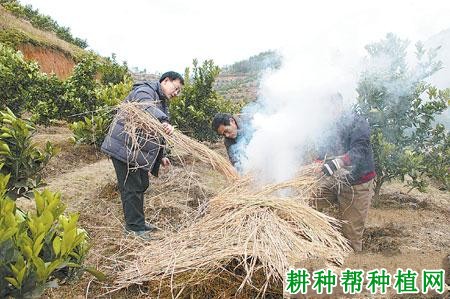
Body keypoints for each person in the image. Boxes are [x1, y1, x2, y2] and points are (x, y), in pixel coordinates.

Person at [101, 71, 184, 239]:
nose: (175, 94)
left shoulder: (161, 101)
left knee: (141, 184)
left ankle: (139, 222)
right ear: (165, 80)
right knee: (131, 188)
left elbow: (153, 134)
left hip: (134, 150)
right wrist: (164, 121)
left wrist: (161, 156)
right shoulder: (145, 91)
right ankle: (133, 229)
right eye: (175, 88)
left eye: (178, 92)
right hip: (123, 148)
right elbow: (146, 106)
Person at [316, 93, 376, 252]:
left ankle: (352, 270)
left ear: (339, 105)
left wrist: (340, 161)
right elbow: (324, 152)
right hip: (336, 179)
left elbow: (360, 149)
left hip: (357, 183)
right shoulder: (328, 125)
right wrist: (317, 163)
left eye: (330, 108)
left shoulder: (358, 123)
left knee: (351, 234)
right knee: (309, 201)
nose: (326, 113)